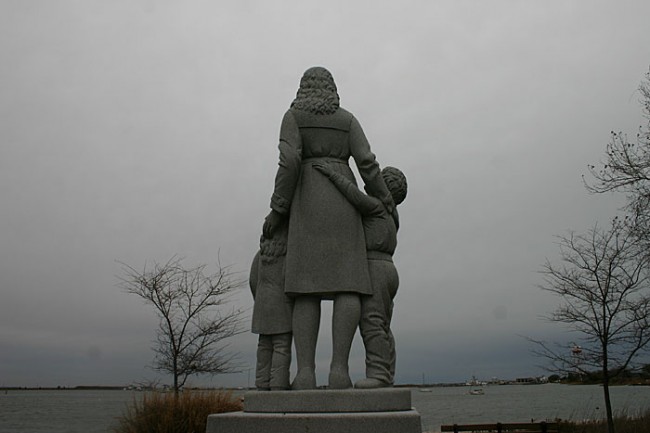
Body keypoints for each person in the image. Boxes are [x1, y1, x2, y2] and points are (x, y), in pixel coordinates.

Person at [263, 66, 394, 389]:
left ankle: (305, 373)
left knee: (305, 289)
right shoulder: (347, 120)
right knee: (347, 286)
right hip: (344, 204)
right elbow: (368, 163)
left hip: (306, 201)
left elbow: (289, 162)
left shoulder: (292, 117)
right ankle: (340, 372)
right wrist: (384, 199)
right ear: (332, 88)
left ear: (303, 87)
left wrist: (278, 210)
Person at [314, 162, 407, 388]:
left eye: (376, 180)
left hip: (375, 266)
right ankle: (386, 372)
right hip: (387, 269)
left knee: (372, 321)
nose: (369, 183)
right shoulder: (392, 214)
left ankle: (379, 375)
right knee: (382, 324)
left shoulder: (377, 206)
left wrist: (333, 174)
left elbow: (353, 195)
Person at [249, 221, 293, 390]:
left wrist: (259, 299)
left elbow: (253, 280)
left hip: (261, 306)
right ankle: (278, 383)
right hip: (282, 305)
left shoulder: (259, 256)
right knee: (281, 345)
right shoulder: (287, 257)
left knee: (264, 345)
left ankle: (261, 381)